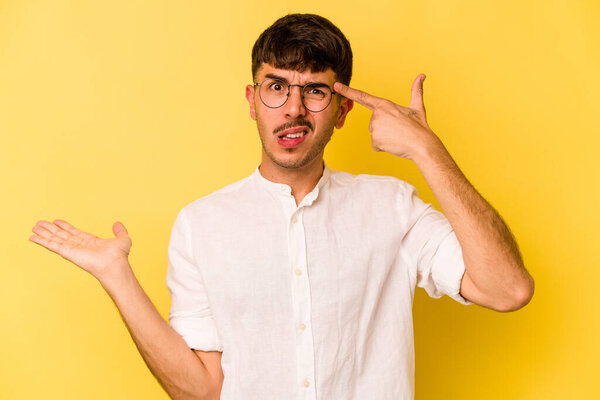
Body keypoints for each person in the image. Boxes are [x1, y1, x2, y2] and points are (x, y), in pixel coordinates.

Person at [29, 13, 534, 400]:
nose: (293, 108)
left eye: (315, 90)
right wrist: (116, 275)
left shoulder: (393, 207)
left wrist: (428, 150)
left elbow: (507, 289)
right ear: (252, 100)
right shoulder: (201, 225)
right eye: (277, 87)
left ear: (342, 112)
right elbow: (201, 389)